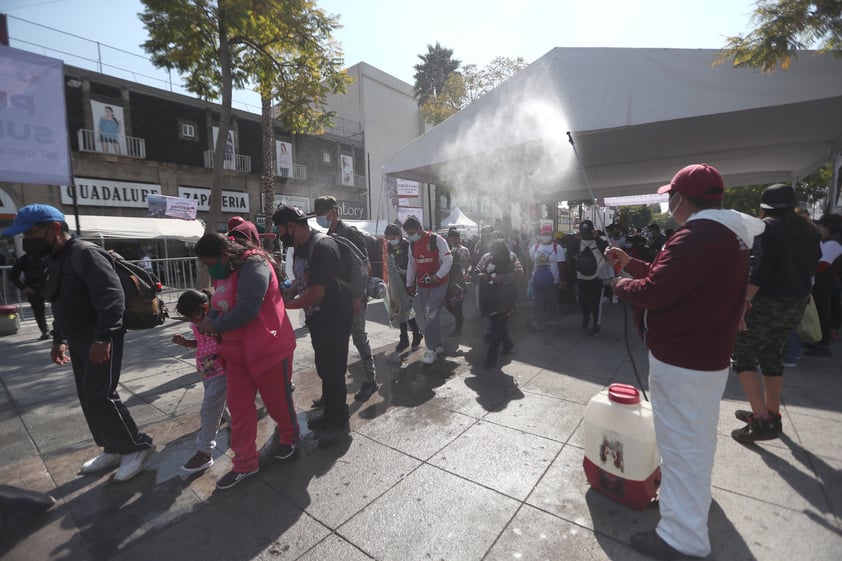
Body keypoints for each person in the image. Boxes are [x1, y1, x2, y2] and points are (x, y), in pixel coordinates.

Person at [606, 163, 765, 560]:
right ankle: (688, 509)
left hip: (684, 360)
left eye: (670, 196)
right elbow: (676, 280)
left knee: (681, 448)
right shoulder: (724, 234)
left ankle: (682, 539)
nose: (668, 203)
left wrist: (621, 284)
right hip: (704, 357)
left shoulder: (697, 236)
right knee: (693, 443)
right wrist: (631, 263)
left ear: (681, 197)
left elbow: (658, 292)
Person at [4, 205, 155, 482]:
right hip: (77, 340)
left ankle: (136, 445)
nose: (26, 239)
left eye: (30, 232)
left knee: (101, 395)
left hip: (100, 337)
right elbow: (62, 301)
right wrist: (58, 339)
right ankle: (113, 446)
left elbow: (112, 298)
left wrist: (103, 338)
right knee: (89, 397)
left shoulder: (85, 253)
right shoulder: (55, 258)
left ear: (55, 228)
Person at [194, 233, 299, 489]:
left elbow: (248, 309)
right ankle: (245, 463)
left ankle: (290, 438)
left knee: (277, 403)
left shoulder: (255, 264)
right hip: (235, 352)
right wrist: (211, 321)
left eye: (210, 263)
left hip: (268, 348)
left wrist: (214, 324)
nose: (210, 269)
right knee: (239, 410)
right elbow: (219, 303)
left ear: (225, 254)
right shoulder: (224, 270)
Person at [731, 184, 821, 443]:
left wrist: (742, 304)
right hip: (795, 304)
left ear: (764, 206)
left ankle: (760, 421)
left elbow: (760, 268)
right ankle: (772, 414)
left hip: (765, 303)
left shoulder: (766, 227)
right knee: (772, 355)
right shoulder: (810, 230)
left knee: (743, 355)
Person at [273, 204, 352, 448]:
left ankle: (340, 424)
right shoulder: (300, 248)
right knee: (324, 367)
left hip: (335, 316)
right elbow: (302, 279)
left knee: (334, 371)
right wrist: (291, 289)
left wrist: (285, 305)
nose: (280, 236)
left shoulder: (323, 247)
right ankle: (330, 414)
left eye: (281, 230)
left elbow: (315, 293)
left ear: (291, 227)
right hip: (318, 318)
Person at [314, 195, 377, 402]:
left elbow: (362, 266)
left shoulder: (349, 232)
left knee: (359, 336)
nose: (319, 218)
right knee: (335, 343)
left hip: (353, 295)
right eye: (317, 215)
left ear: (333, 211)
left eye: (322, 214)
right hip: (337, 298)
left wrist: (357, 296)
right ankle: (332, 390)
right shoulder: (328, 234)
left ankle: (370, 380)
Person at [171, 289, 228, 473]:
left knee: (209, 409)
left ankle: (204, 453)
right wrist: (186, 343)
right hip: (206, 371)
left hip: (220, 370)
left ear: (204, 308)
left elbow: (224, 341)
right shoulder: (197, 323)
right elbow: (201, 342)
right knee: (218, 405)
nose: (192, 321)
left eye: (192, 316)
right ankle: (234, 420)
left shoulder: (218, 321)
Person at [402, 216, 453, 365]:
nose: (411, 236)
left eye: (412, 232)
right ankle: (437, 345)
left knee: (429, 314)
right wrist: (409, 283)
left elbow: (448, 260)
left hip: (439, 284)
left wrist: (437, 276)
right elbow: (412, 265)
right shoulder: (412, 245)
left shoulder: (437, 240)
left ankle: (430, 350)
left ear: (419, 228)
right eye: (408, 234)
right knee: (430, 317)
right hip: (423, 287)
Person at [476, 239, 523, 368]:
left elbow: (519, 273)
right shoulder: (486, 257)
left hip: (506, 299)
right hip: (489, 298)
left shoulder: (512, 257)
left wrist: (502, 278)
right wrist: (482, 276)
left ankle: (490, 359)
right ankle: (508, 344)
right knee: (498, 325)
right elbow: (476, 271)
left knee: (497, 328)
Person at [805, 215, 842, 357]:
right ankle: (816, 340)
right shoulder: (826, 242)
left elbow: (823, 263)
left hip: (825, 283)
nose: (819, 229)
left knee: (822, 313)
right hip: (822, 282)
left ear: (830, 228)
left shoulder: (833, 244)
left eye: (822, 227)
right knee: (818, 312)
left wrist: (808, 272)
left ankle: (823, 343)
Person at [384, 224, 423, 352]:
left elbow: (413, 264)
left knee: (405, 309)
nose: (391, 240)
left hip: (408, 281)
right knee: (400, 310)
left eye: (393, 237)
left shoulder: (408, 245)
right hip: (396, 282)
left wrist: (410, 280)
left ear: (399, 235)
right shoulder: (389, 246)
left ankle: (412, 335)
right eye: (388, 238)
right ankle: (407, 337)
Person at [574, 220, 609, 335]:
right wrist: (576, 239)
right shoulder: (577, 243)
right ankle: (586, 317)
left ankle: (596, 325)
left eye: (588, 231)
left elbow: (607, 251)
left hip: (597, 278)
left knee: (596, 303)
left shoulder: (600, 241)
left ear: (592, 230)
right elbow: (570, 253)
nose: (585, 234)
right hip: (581, 277)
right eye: (583, 231)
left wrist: (597, 237)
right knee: (582, 301)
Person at [528, 224, 565, 329]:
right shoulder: (535, 247)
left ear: (551, 234)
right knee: (537, 301)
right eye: (544, 234)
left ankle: (552, 319)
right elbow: (531, 262)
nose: (546, 236)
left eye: (548, 234)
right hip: (537, 280)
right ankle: (536, 320)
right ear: (540, 235)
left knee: (552, 300)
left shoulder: (557, 248)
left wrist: (562, 280)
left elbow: (562, 265)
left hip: (553, 281)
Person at [10, 250, 51, 340]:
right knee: (38, 311)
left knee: (58, 308)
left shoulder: (49, 255)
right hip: (33, 288)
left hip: (49, 286)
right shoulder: (25, 258)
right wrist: (23, 288)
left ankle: (59, 330)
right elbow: (13, 275)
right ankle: (45, 331)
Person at [445, 228, 470, 335]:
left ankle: (458, 328)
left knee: (458, 303)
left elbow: (469, 263)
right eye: (451, 239)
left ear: (458, 238)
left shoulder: (464, 250)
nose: (453, 241)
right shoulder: (446, 249)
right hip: (449, 280)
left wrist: (467, 273)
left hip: (459, 280)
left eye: (455, 238)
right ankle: (459, 318)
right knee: (447, 303)